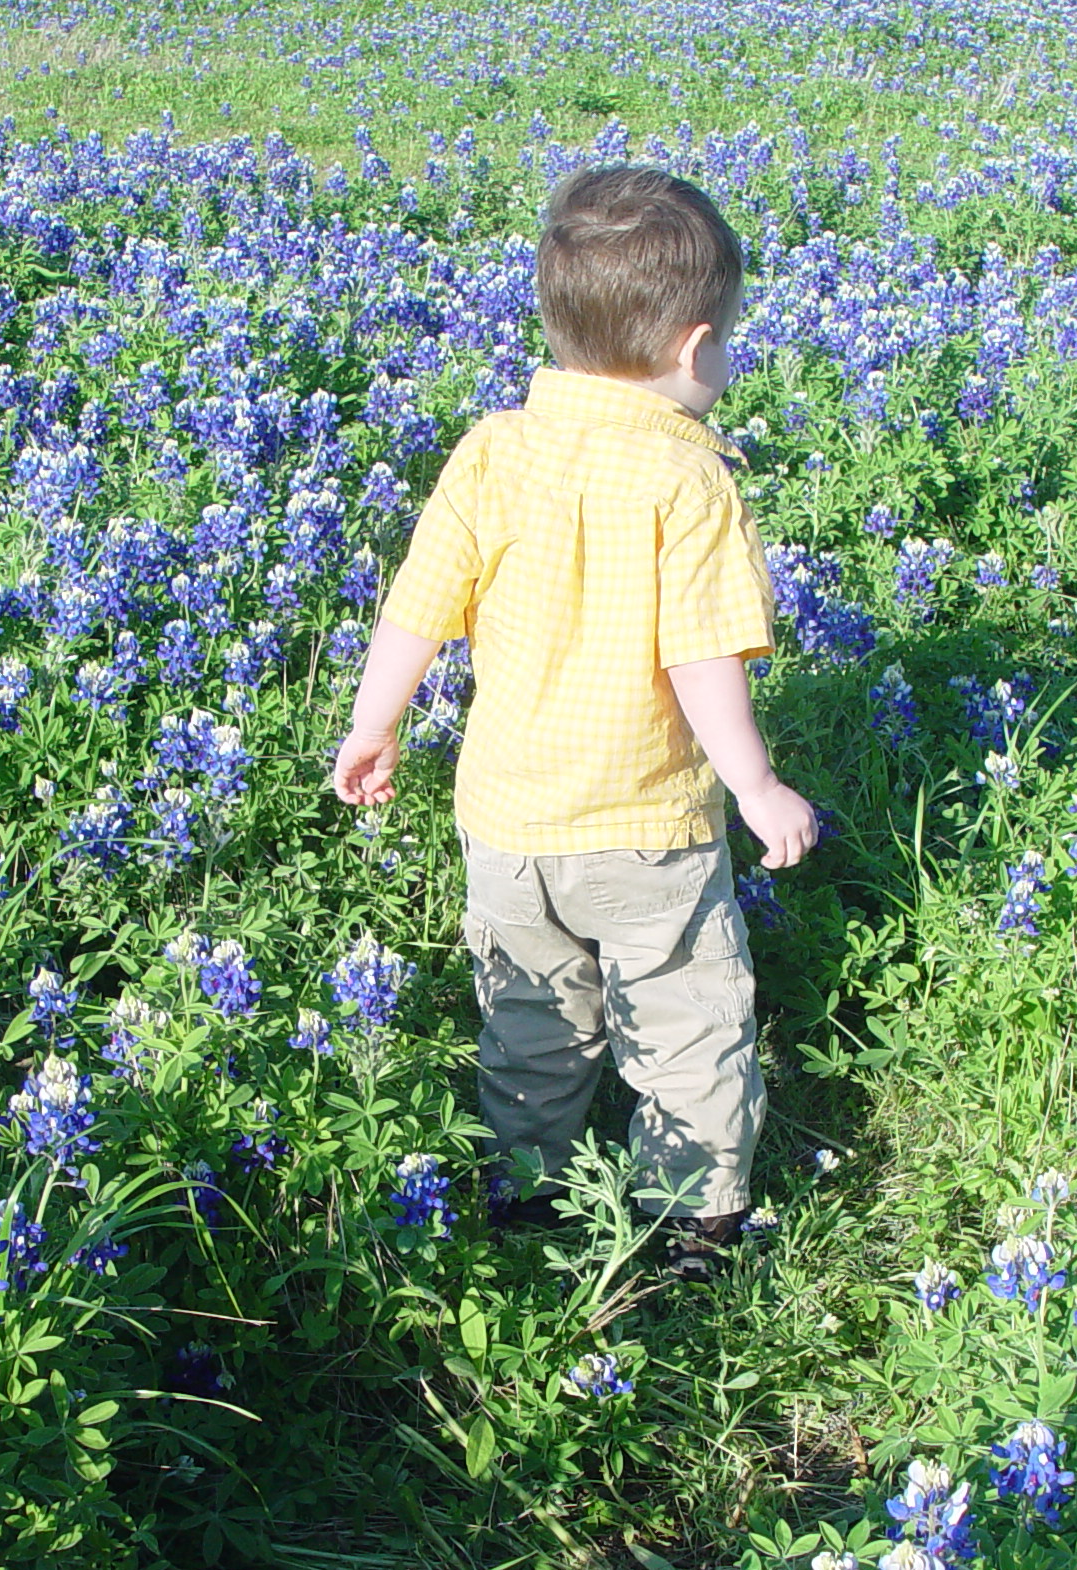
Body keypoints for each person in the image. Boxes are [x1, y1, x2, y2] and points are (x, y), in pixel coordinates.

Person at [329, 163, 818, 1274]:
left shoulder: (493, 450)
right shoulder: (690, 483)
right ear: (696, 350)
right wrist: (754, 784)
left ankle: (528, 1186)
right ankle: (693, 1217)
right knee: (686, 1022)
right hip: (646, 830)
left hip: (504, 826)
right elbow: (701, 658)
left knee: (531, 1019)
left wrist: (375, 722)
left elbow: (417, 607)